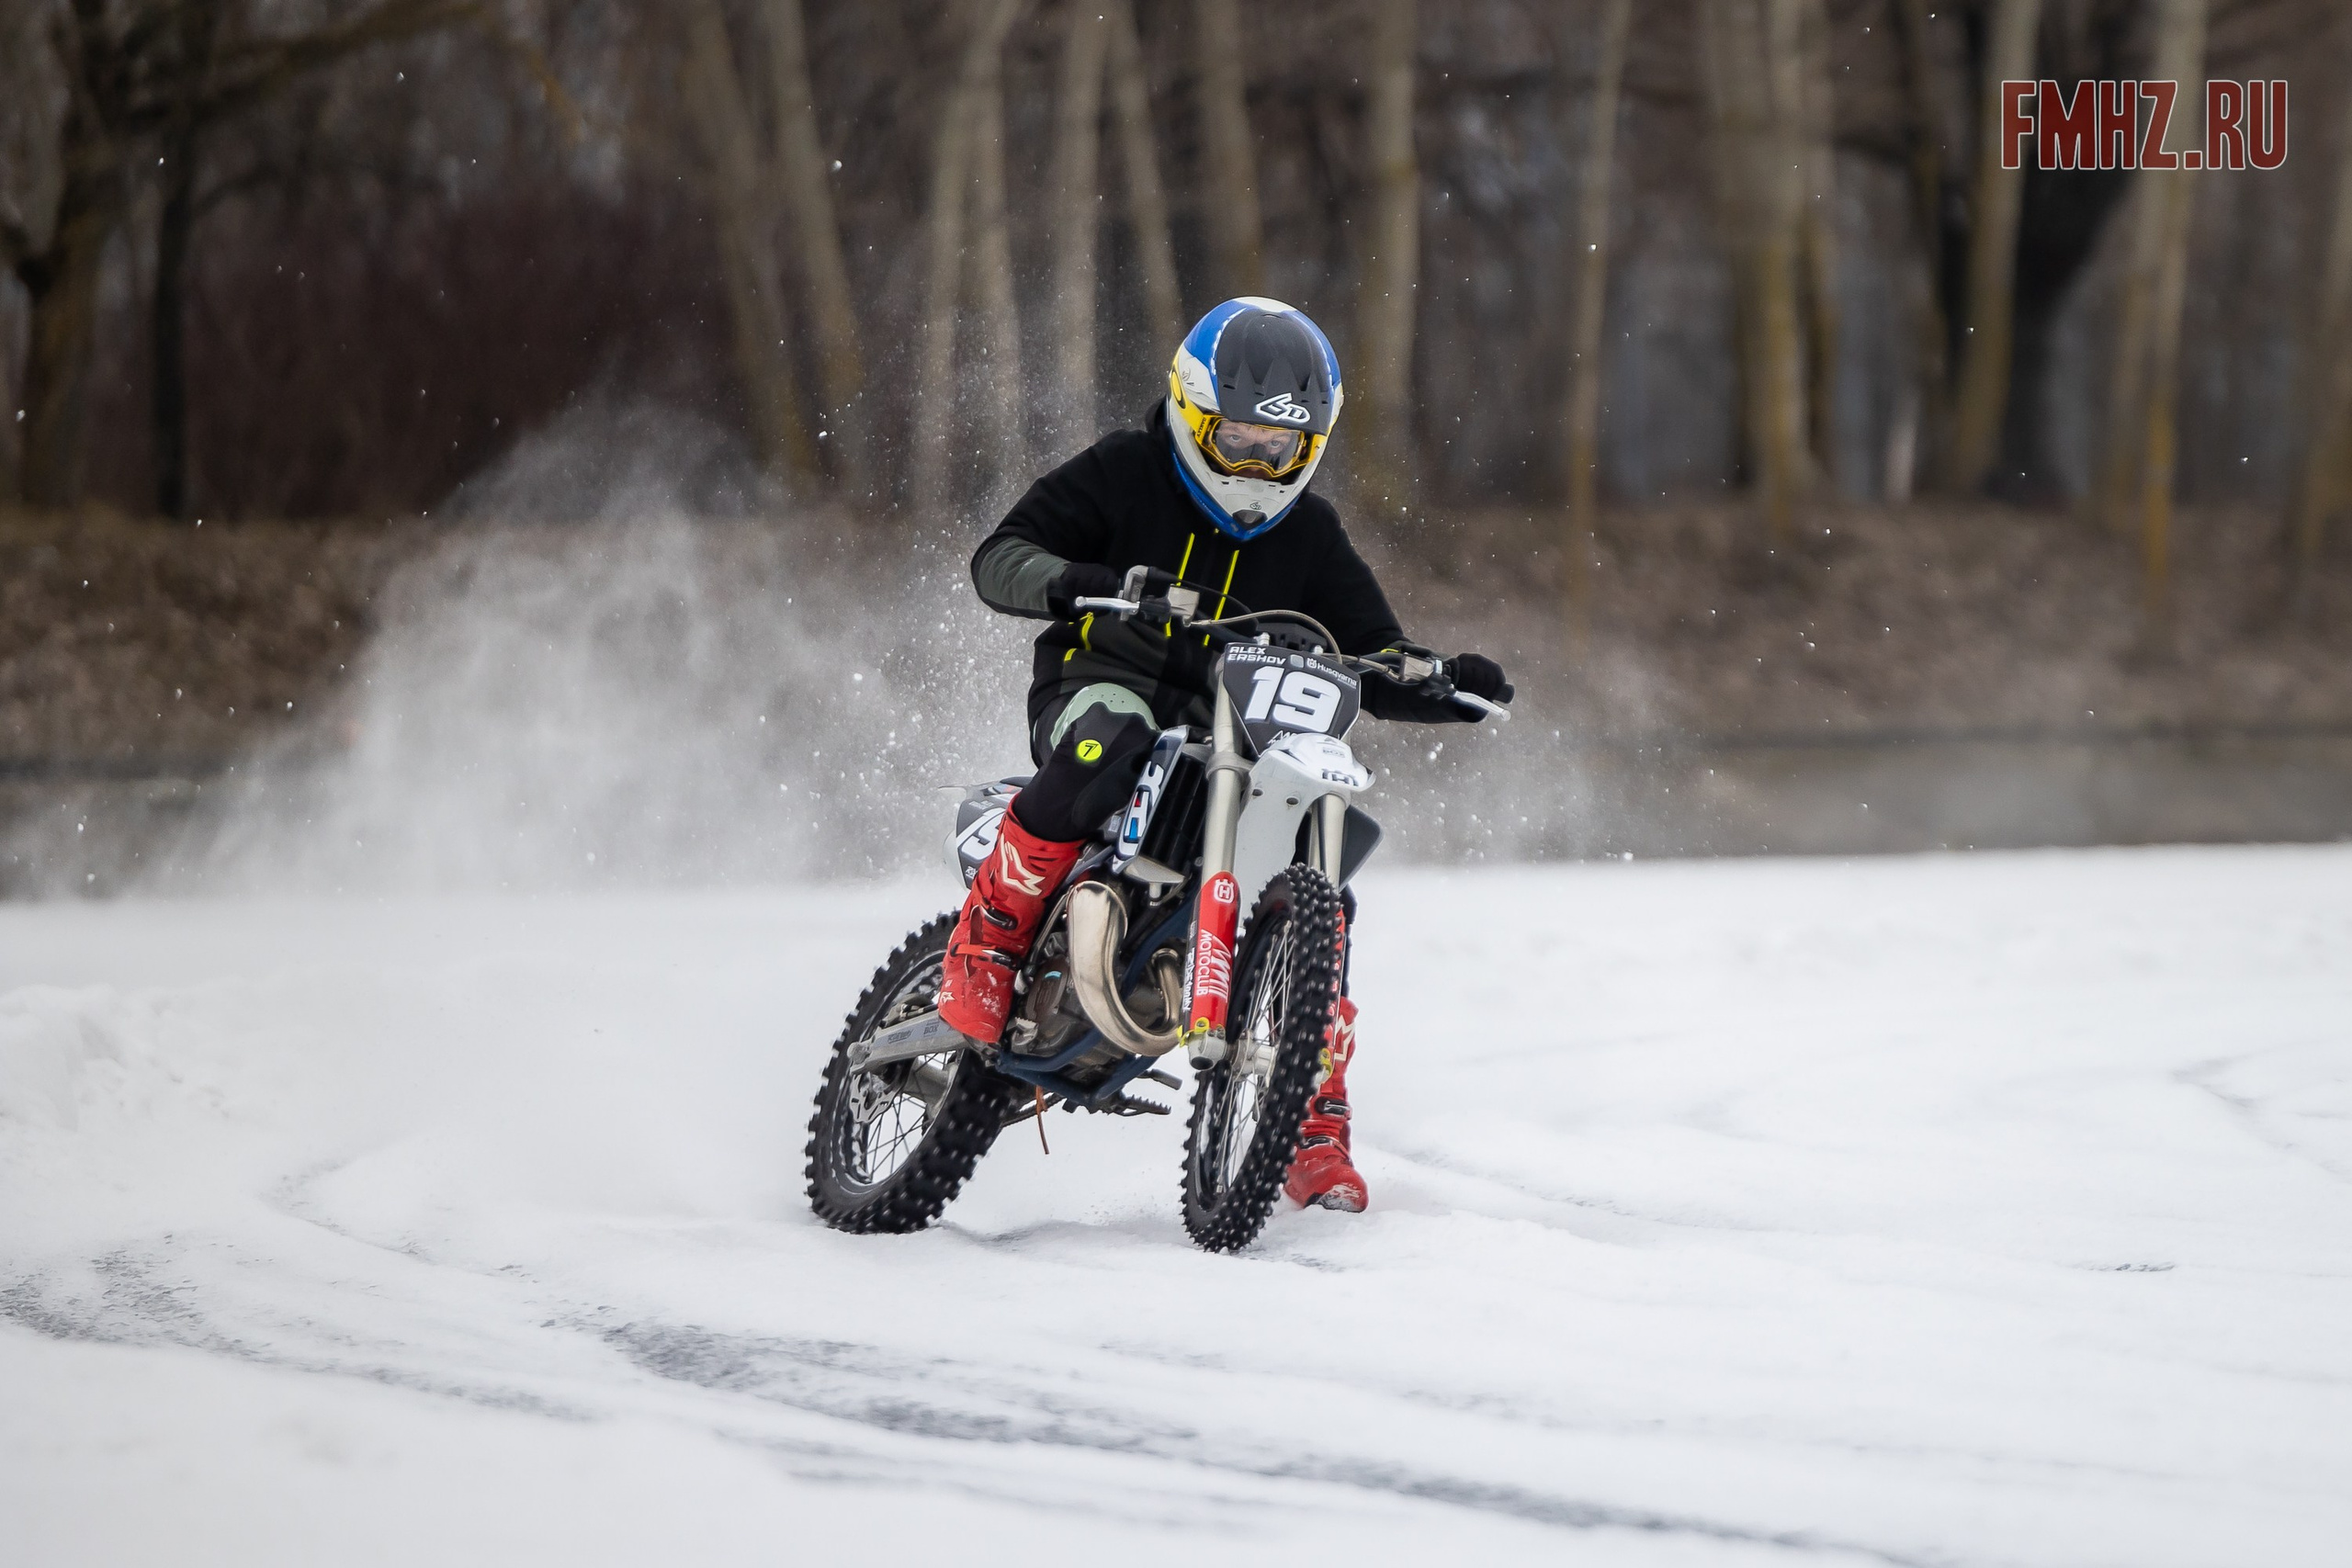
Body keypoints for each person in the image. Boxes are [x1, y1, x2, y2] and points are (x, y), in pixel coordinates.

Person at [939, 297, 1513, 1213]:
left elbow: (1372, 649)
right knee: (1112, 737)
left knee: (1330, 862)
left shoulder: (1311, 534)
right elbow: (1000, 558)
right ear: (1191, 412)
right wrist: (1091, 584)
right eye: (1238, 439)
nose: (1254, 465)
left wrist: (1442, 678)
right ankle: (989, 940)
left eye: (1276, 450)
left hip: (1237, 743)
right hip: (1101, 691)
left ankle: (1310, 1113)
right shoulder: (1126, 473)